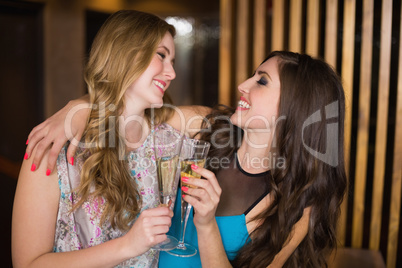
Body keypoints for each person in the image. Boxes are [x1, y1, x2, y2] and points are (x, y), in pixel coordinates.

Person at [23, 51, 347, 267]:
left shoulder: (298, 204)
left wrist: (206, 226)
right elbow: (127, 110)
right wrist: (75, 109)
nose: (243, 85)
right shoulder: (207, 128)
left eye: (261, 80)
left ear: (294, 105)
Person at [12, 9, 181, 267]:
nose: (172, 74)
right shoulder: (55, 146)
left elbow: (214, 117)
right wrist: (127, 246)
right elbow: (27, 264)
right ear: (125, 54)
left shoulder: (166, 139)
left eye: (173, 62)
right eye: (161, 55)